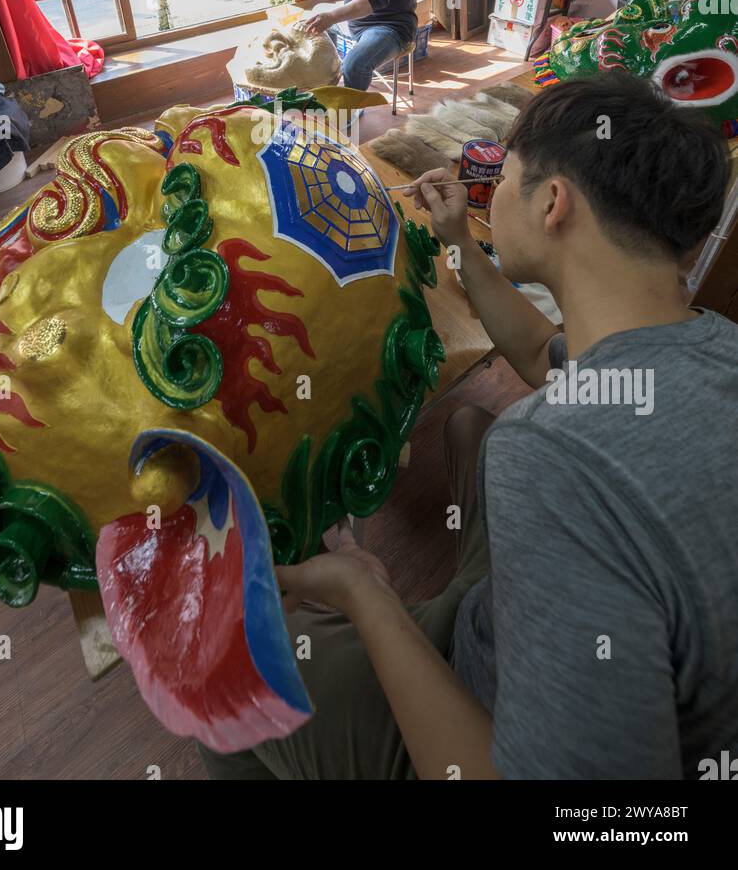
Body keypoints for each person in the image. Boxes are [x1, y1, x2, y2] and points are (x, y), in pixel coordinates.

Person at [199, 74, 738, 779]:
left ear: (553, 203)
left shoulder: (552, 458)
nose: (490, 190)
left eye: (504, 175)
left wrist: (366, 594)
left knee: (227, 679)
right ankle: (462, 607)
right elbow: (541, 352)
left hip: (489, 721)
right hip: (526, 620)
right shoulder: (711, 341)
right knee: (470, 429)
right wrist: (460, 241)